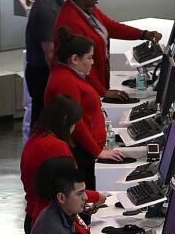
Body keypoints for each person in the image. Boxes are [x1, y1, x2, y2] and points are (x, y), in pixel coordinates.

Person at [50, 0, 162, 100]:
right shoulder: (70, 21)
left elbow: (112, 27)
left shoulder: (89, 9)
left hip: (96, 86)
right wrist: (103, 92)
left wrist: (143, 34)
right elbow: (79, 64)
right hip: (84, 92)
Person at [44, 30, 124, 188]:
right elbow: (76, 122)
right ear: (74, 59)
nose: (92, 62)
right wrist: (97, 151)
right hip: (80, 153)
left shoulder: (71, 75)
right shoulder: (64, 81)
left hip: (86, 151)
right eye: (89, 58)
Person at [20, 94, 94, 233]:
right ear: (65, 121)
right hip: (51, 219)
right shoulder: (56, 146)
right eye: (73, 124)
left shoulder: (35, 138)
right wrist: (97, 197)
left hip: (35, 215)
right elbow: (72, 186)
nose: (73, 129)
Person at [24, 0, 80, 125]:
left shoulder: (51, 3)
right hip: (43, 74)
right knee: (44, 120)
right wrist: (63, 78)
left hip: (43, 72)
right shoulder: (48, 8)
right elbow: (50, 52)